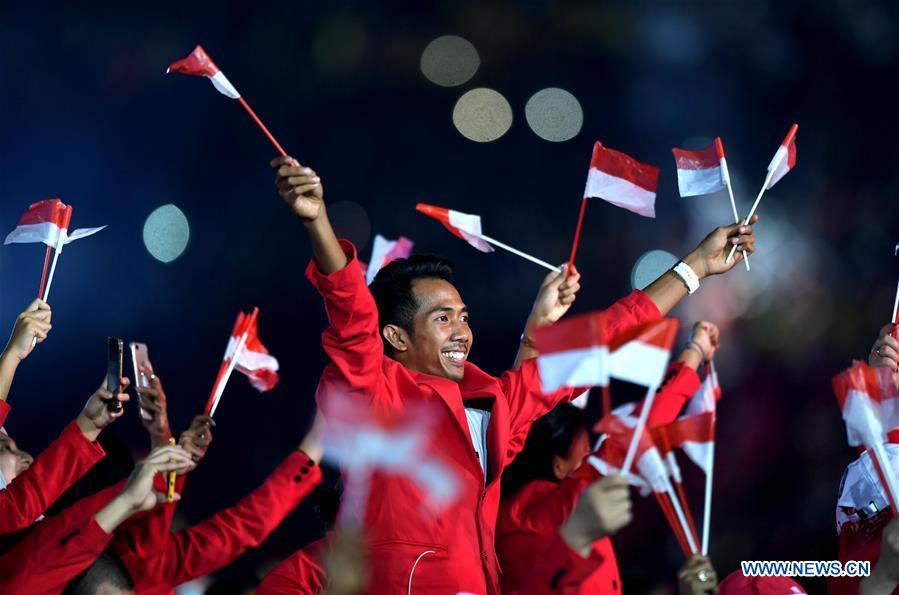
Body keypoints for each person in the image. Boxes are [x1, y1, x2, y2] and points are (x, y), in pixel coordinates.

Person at [270, 155, 756, 593]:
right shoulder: (377, 395)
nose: (462, 331)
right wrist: (320, 225)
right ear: (396, 338)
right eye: (442, 318)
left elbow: (601, 340)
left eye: (464, 316)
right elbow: (353, 316)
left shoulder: (494, 404)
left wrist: (695, 267)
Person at [497, 321, 720, 593]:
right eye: (587, 452)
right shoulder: (555, 508)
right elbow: (639, 430)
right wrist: (695, 350)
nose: (594, 457)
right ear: (558, 465)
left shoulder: (505, 517)